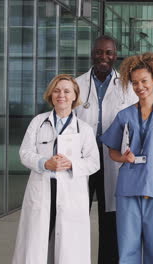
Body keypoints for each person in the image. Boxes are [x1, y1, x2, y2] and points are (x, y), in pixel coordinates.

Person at [100, 52, 153, 264]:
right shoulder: (124, 115)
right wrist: (123, 158)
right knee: (128, 244)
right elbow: (111, 151)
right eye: (135, 83)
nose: (140, 87)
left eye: (144, 81)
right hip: (128, 187)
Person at [12, 74, 100, 264]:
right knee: (37, 244)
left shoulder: (83, 129)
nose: (62, 95)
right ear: (51, 94)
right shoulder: (38, 122)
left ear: (75, 96)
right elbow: (24, 153)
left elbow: (94, 162)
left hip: (70, 194)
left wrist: (72, 164)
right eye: (57, 90)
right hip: (42, 190)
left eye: (67, 91)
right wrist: (45, 162)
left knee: (68, 247)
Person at [75, 35, 138, 263]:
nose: (104, 56)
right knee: (77, 215)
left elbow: (134, 123)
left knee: (110, 217)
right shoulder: (77, 84)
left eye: (109, 52)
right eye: (99, 52)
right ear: (93, 53)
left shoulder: (128, 86)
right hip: (82, 159)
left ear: (116, 55)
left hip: (113, 159)